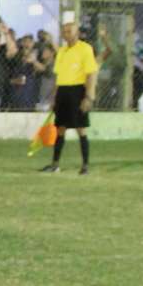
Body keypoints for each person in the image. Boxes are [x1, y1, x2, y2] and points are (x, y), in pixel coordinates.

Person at [42, 13, 96, 173]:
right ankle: (55, 164)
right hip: (63, 92)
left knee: (80, 128)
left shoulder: (85, 49)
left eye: (69, 31)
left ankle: (85, 165)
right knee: (60, 128)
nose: (66, 34)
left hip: (77, 90)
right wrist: (54, 98)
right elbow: (59, 77)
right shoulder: (62, 51)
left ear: (77, 33)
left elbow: (91, 73)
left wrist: (88, 96)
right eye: (64, 31)